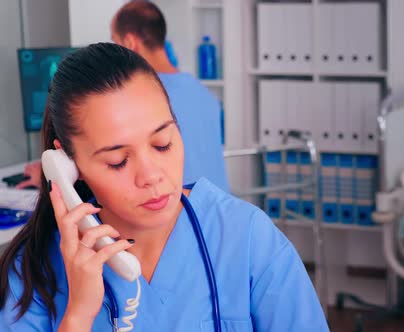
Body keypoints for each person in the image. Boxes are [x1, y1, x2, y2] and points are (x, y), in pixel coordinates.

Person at [0, 43, 328, 331]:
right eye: (117, 161)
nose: (152, 176)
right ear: (69, 165)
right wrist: (78, 316)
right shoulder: (33, 272)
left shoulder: (248, 240)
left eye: (162, 144)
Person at [16, 0, 228, 192]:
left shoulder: (142, 101)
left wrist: (51, 178)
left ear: (129, 42)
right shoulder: (202, 92)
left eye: (115, 41)